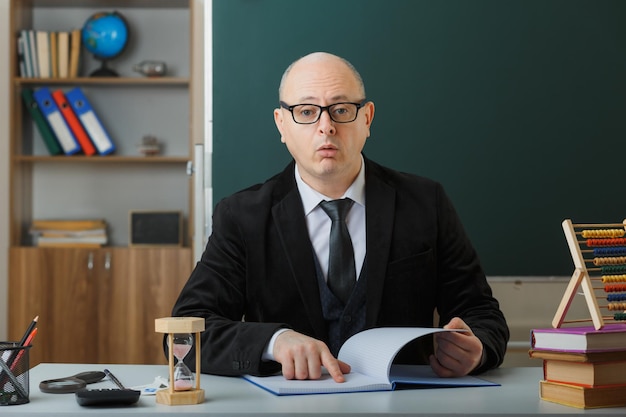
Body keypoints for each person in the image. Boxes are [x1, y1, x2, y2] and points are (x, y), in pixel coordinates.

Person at [170, 51, 509, 383]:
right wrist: (274, 342)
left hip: (402, 406)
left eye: (342, 110)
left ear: (367, 118)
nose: (326, 127)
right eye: (306, 111)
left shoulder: (424, 202)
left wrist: (476, 349)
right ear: (281, 124)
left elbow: (481, 314)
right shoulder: (242, 216)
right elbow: (185, 332)